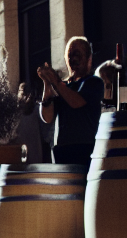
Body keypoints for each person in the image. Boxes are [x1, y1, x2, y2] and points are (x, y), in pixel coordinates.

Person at [42, 37, 104, 165]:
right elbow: (47, 117)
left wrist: (56, 82)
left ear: (89, 59)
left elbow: (76, 102)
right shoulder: (63, 86)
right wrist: (47, 83)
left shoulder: (93, 82)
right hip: (61, 149)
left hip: (85, 148)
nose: (73, 58)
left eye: (78, 54)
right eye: (70, 55)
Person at [13, 81, 47, 163]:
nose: (26, 96)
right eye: (23, 93)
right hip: (18, 148)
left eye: (28, 93)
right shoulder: (14, 111)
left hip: (34, 147)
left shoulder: (37, 110)